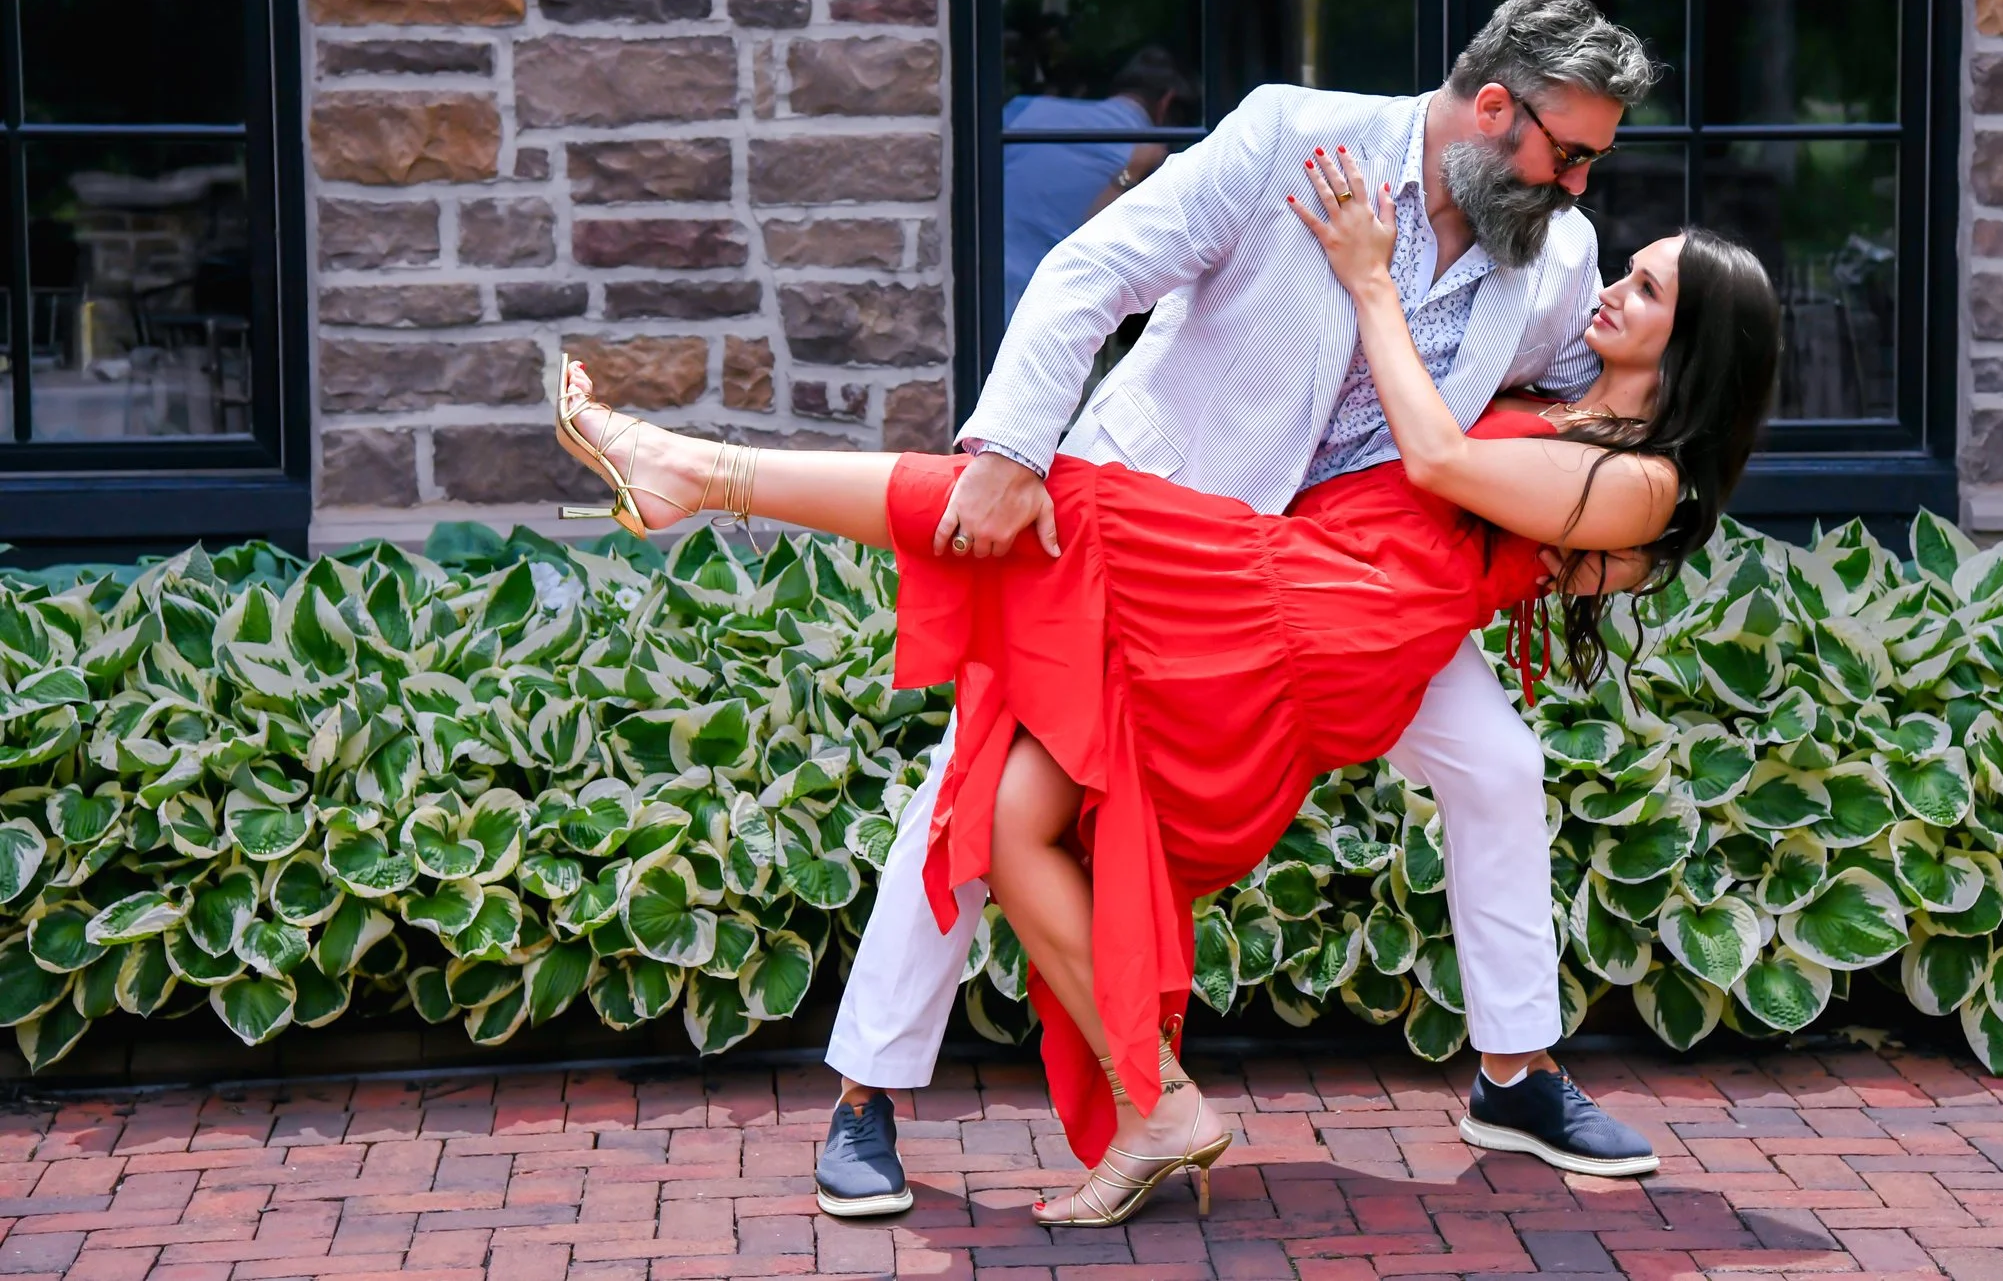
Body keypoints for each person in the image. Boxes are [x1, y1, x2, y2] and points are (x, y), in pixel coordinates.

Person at [550, 192, 1779, 1223]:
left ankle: (701, 472)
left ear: (1695, 347)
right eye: (1625, 268)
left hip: (1313, 617)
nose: (1612, 287)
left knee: (1051, 502)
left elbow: (1438, 466)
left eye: (1649, 289)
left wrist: (1368, 281)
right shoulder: (1567, 381)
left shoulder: (1645, 488)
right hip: (1282, 575)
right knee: (1003, 812)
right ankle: (1158, 1105)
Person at [803, 0, 1669, 1219]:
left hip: (1349, 591)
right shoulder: (1284, 138)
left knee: (1495, 760)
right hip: (1150, 534)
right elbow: (1091, 268)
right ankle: (865, 1096)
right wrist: (1008, 448)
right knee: (975, 780)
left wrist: (1648, 504)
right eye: (1570, 153)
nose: (1581, 186)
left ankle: (1515, 1072)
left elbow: (1595, 397)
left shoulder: (1558, 253)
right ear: (1491, 108)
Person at [1002, 47, 1200, 317]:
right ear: (1166, 103)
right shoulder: (1146, 160)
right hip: (1033, 312)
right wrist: (1131, 172)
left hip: (974, 286)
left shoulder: (1022, 109)